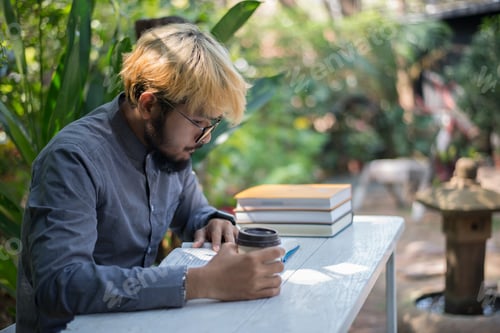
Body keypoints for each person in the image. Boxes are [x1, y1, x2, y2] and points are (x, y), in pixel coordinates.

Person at [16, 23, 285, 333]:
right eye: (199, 122)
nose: (206, 138)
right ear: (148, 104)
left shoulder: (169, 146)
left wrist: (213, 222)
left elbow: (192, 211)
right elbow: (62, 284)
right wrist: (198, 283)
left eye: (212, 124)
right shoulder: (73, 159)